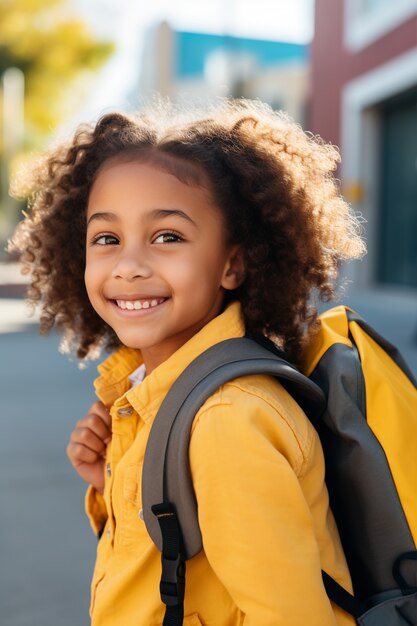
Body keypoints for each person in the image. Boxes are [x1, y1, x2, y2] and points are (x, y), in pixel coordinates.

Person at [10, 98, 365, 626]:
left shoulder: (227, 419)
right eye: (106, 238)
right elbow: (178, 558)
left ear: (233, 262)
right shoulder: (159, 391)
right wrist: (120, 483)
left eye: (167, 237)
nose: (129, 265)